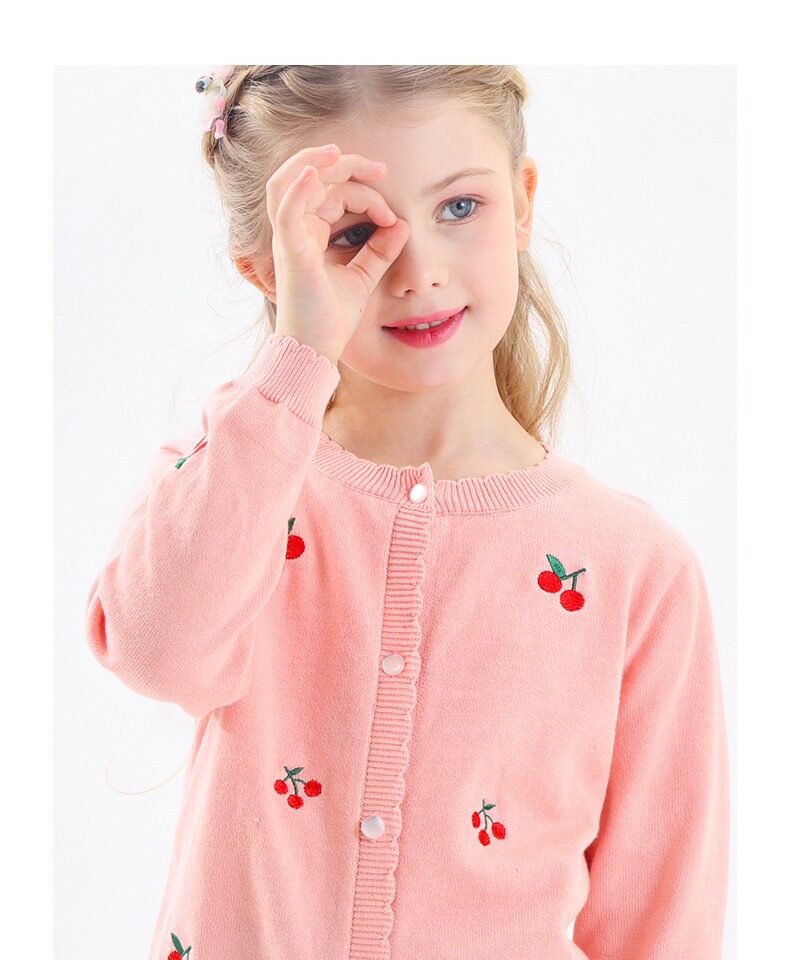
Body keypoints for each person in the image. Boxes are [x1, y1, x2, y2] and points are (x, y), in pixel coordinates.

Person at [83, 65, 730, 960]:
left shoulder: (636, 567)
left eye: (460, 207)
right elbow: (155, 653)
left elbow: (663, 922)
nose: (419, 271)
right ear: (266, 267)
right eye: (352, 232)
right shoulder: (230, 481)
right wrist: (298, 354)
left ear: (523, 202)